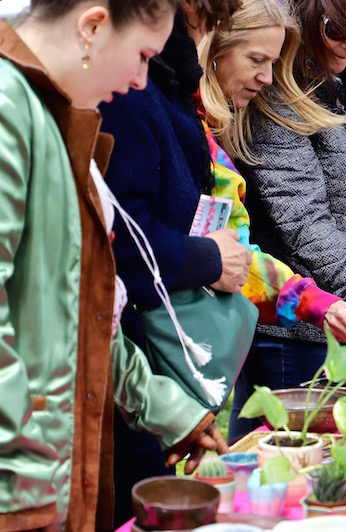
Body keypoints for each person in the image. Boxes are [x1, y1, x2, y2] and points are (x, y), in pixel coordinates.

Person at [99, 0, 346, 522]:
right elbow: (155, 249)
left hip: (172, 376)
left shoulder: (197, 126)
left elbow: (235, 256)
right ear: (212, 50)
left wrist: (313, 301)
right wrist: (212, 261)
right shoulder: (151, 106)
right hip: (152, 374)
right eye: (257, 60)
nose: (268, 79)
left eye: (275, 64)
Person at [0, 1, 231, 529]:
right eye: (143, 56)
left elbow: (86, 310)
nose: (137, 81)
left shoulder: (57, 120)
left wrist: (167, 409)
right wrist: (20, 481)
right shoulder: (9, 108)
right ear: (93, 26)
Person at [199, 0, 346, 442]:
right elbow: (304, 221)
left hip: (327, 317)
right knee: (281, 461)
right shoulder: (274, 101)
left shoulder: (338, 88)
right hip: (293, 327)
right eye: (340, 31)